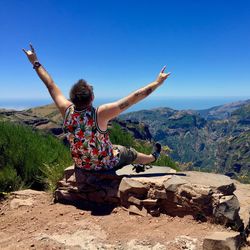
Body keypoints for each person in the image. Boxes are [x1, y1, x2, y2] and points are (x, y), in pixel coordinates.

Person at [22, 44, 171, 171]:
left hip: (81, 165)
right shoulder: (100, 114)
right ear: (92, 98)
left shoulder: (66, 110)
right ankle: (152, 158)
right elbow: (135, 97)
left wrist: (35, 62)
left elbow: (50, 85)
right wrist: (157, 82)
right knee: (128, 152)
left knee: (114, 146)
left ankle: (141, 157)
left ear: (72, 98)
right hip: (103, 165)